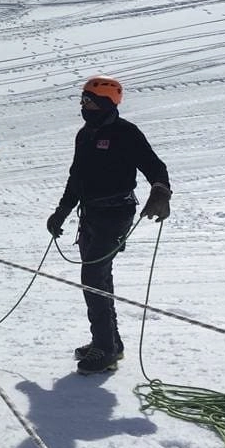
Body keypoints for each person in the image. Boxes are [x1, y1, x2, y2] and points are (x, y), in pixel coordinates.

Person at [45, 76, 172, 374]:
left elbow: (156, 167)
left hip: (116, 215)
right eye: (82, 101)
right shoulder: (85, 135)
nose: (83, 106)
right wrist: (61, 212)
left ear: (104, 104)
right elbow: (76, 178)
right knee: (99, 278)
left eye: (88, 101)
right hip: (90, 215)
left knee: (92, 276)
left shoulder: (126, 133)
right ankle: (108, 342)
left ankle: (105, 348)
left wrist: (161, 192)